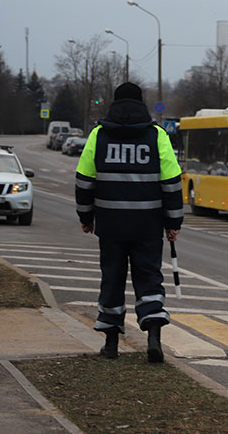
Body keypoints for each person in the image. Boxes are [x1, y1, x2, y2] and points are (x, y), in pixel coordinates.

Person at [75, 83, 183, 363]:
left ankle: (111, 345)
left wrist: (86, 217)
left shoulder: (99, 135)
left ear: (114, 104)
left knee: (112, 278)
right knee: (149, 278)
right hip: (147, 226)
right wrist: (173, 222)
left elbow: (84, 180)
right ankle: (154, 339)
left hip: (110, 227)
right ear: (142, 104)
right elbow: (171, 183)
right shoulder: (157, 136)